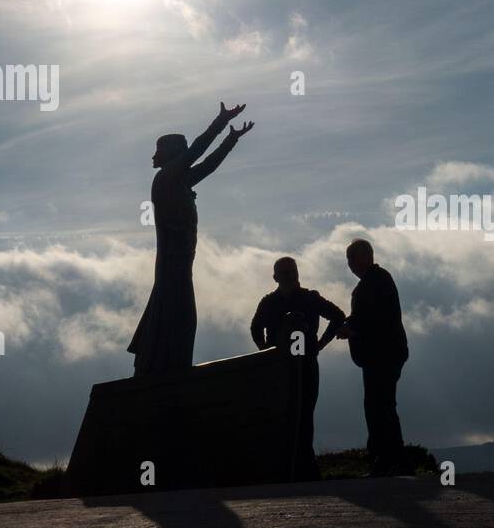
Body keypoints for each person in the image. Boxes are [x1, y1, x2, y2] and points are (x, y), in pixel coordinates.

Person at [128, 103, 254, 375]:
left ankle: (168, 368)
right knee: (179, 319)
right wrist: (220, 122)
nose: (154, 155)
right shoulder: (164, 181)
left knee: (183, 321)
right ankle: (160, 370)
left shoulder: (180, 183)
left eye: (159, 149)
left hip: (181, 267)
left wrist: (231, 139)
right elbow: (198, 150)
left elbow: (208, 164)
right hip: (172, 266)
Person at [250, 257, 346, 481]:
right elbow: (255, 328)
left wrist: (321, 344)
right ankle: (285, 467)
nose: (289, 277)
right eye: (284, 273)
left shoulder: (310, 298)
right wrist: (266, 352)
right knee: (281, 416)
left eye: (292, 272)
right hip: (279, 371)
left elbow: (338, 316)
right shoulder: (269, 302)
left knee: (304, 416)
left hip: (307, 366)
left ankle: (305, 467)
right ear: (275, 277)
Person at [337, 239, 409, 476]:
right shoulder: (376, 281)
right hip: (381, 356)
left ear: (366, 257)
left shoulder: (375, 282)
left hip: (382, 356)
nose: (350, 264)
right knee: (382, 405)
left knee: (378, 406)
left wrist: (351, 328)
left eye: (352, 258)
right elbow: (367, 315)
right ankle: (391, 458)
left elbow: (373, 317)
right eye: (348, 259)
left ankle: (385, 459)